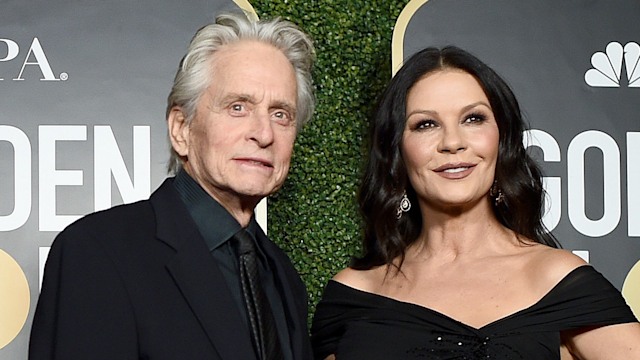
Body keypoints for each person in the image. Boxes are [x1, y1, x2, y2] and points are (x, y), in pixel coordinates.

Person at [311, 46, 640, 359]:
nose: (452, 142)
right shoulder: (354, 294)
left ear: (502, 139)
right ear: (397, 151)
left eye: (473, 119)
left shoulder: (555, 280)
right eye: (426, 124)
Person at [29, 11, 315, 360]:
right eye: (238, 107)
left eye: (281, 114)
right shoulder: (97, 253)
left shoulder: (283, 277)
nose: (264, 133)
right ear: (181, 129)